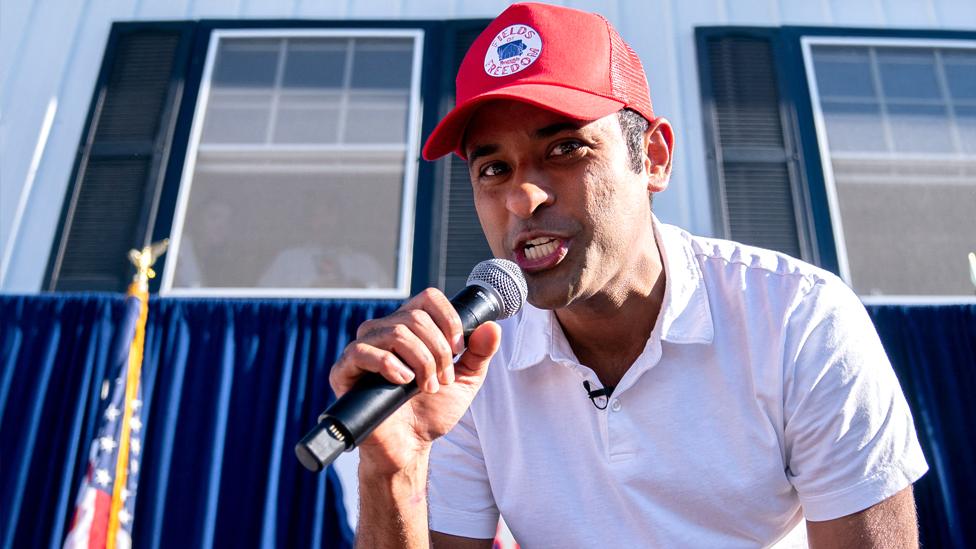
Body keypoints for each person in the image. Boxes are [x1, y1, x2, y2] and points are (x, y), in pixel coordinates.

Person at [327, 3, 928, 547]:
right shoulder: (465, 364)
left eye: (566, 149)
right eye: (493, 168)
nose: (523, 198)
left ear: (656, 159)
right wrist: (395, 465)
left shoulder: (798, 317)